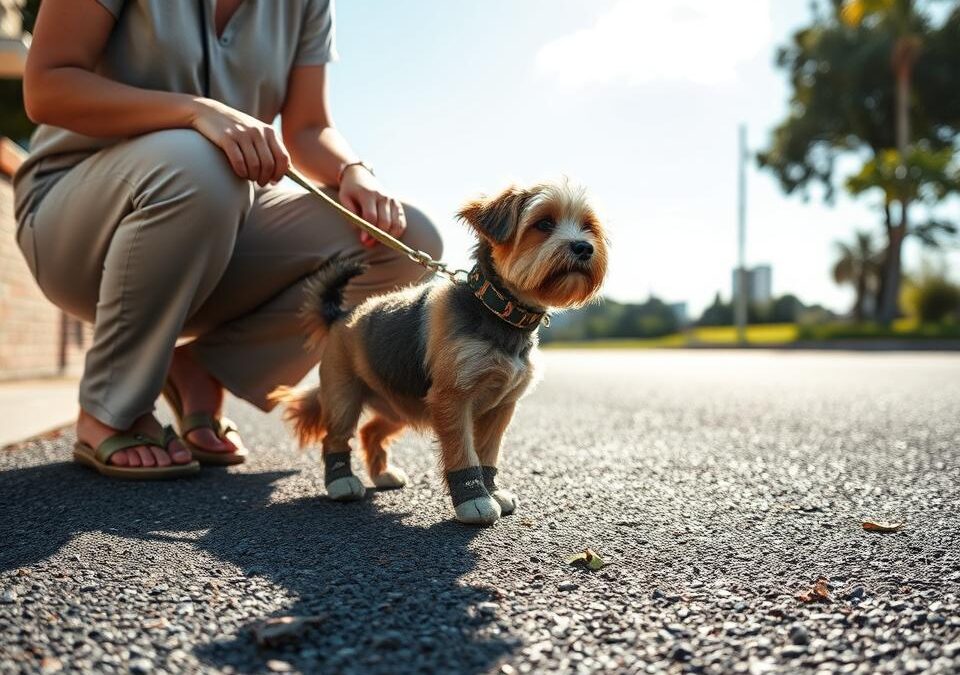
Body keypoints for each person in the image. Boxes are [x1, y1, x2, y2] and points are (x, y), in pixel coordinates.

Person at [13, 0, 442, 477]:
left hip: (223, 213)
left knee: (405, 241)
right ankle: (110, 405)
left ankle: (203, 368)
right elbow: (47, 86)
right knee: (203, 163)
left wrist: (353, 171)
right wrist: (195, 112)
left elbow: (307, 127)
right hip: (76, 219)